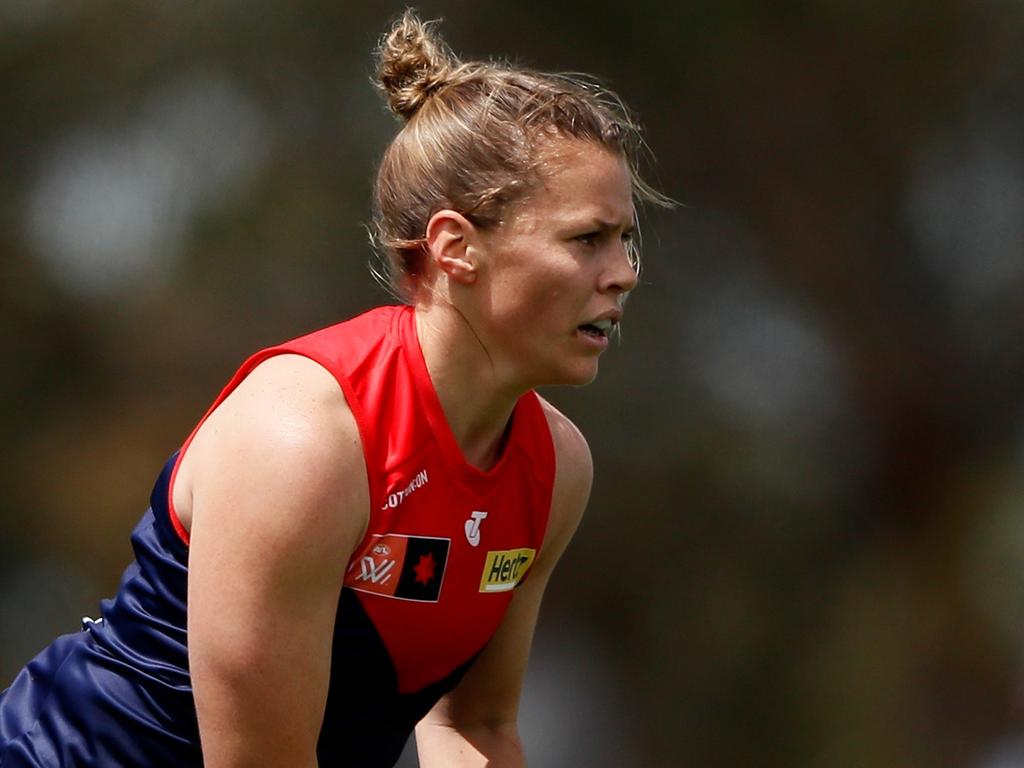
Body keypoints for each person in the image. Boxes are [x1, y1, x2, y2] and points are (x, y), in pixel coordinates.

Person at [0, 9, 666, 767]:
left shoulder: (556, 468)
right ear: (457, 249)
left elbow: (470, 729)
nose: (625, 273)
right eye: (587, 239)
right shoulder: (306, 444)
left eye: (626, 240)